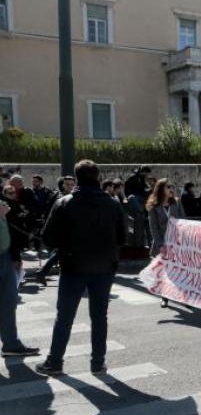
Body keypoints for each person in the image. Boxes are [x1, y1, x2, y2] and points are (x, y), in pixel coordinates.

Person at [34, 160, 127, 376]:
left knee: (64, 317)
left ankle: (55, 362)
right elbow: (122, 238)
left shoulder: (65, 202)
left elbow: (48, 238)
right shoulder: (112, 204)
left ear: (76, 178)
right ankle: (98, 362)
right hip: (104, 267)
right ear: (97, 176)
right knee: (99, 317)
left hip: (73, 266)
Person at [0, 199, 39, 357]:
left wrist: (15, 256)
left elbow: (11, 230)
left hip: (6, 258)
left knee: (9, 303)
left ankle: (11, 344)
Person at [146, 179, 186, 308]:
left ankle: (181, 297)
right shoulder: (153, 206)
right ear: (161, 189)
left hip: (176, 243)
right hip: (162, 243)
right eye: (168, 187)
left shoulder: (177, 202)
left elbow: (184, 220)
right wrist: (160, 245)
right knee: (164, 272)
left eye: (172, 186)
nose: (171, 189)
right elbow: (153, 228)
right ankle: (165, 297)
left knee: (178, 271)